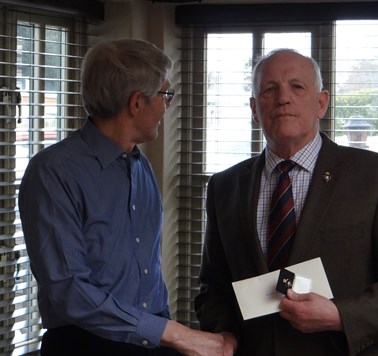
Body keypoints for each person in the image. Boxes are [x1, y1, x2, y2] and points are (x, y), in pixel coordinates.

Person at [194, 48, 378, 355]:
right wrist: (223, 333)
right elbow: (212, 289)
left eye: (297, 87)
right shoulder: (224, 186)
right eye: (270, 89)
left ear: (321, 103)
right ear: (254, 108)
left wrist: (340, 315)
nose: (283, 98)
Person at [19, 39, 231, 356]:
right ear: (136, 103)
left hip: (152, 342)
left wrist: (167, 336)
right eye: (165, 95)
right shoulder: (53, 173)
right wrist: (175, 334)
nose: (167, 106)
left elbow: (146, 274)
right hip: (85, 346)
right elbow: (69, 290)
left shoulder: (139, 165)